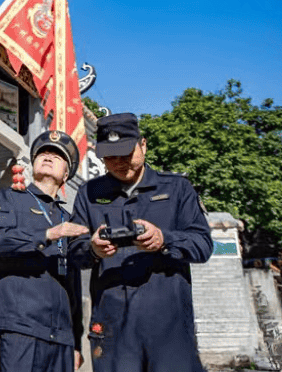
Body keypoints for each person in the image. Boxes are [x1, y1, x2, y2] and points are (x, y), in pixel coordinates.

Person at [70, 112, 213, 372]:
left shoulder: (177, 188)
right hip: (112, 326)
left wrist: (165, 239)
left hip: (169, 326)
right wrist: (92, 249)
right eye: (110, 156)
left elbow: (203, 245)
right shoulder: (88, 194)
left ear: (143, 145)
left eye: (126, 153)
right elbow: (73, 253)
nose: (119, 162)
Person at [0, 129, 88, 372]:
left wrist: (76, 343)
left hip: (62, 335)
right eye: (43, 153)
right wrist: (47, 235)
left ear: (66, 175)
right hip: (22, 327)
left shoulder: (67, 218)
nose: (49, 156)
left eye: (58, 156)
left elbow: (74, 284)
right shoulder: (10, 199)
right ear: (33, 164)